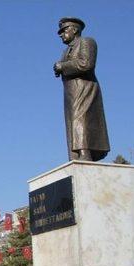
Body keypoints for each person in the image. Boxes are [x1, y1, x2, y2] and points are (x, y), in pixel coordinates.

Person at [53, 17, 110, 162]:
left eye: (64, 30)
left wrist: (62, 66)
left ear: (75, 29)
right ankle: (75, 156)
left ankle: (85, 154)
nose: (61, 34)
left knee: (81, 120)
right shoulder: (66, 51)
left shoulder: (86, 42)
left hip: (85, 88)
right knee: (73, 122)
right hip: (70, 92)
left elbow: (86, 64)